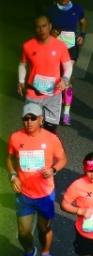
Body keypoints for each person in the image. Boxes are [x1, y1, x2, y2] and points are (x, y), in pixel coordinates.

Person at [7, 103, 67, 256]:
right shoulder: (15, 137)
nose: (29, 122)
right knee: (23, 232)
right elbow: (10, 158)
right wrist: (13, 175)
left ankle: (45, 252)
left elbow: (62, 159)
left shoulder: (51, 139)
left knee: (43, 228)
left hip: (44, 194)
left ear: (41, 119)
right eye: (25, 119)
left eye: (33, 118)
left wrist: (53, 170)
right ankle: (30, 251)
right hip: (24, 193)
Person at [18, 14, 73, 133]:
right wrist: (21, 81)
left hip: (54, 93)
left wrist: (65, 79)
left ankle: (48, 151)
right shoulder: (27, 46)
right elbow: (22, 65)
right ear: (35, 28)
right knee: (31, 128)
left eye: (44, 26)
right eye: (38, 27)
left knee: (50, 129)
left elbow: (68, 66)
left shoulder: (60, 46)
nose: (42, 29)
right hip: (33, 93)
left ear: (50, 26)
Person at [46, 0, 86, 126]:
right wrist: (50, 33)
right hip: (55, 48)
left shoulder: (77, 9)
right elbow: (43, 27)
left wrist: (82, 35)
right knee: (56, 77)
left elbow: (83, 22)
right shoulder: (50, 10)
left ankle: (66, 113)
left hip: (70, 47)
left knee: (66, 78)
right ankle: (53, 106)